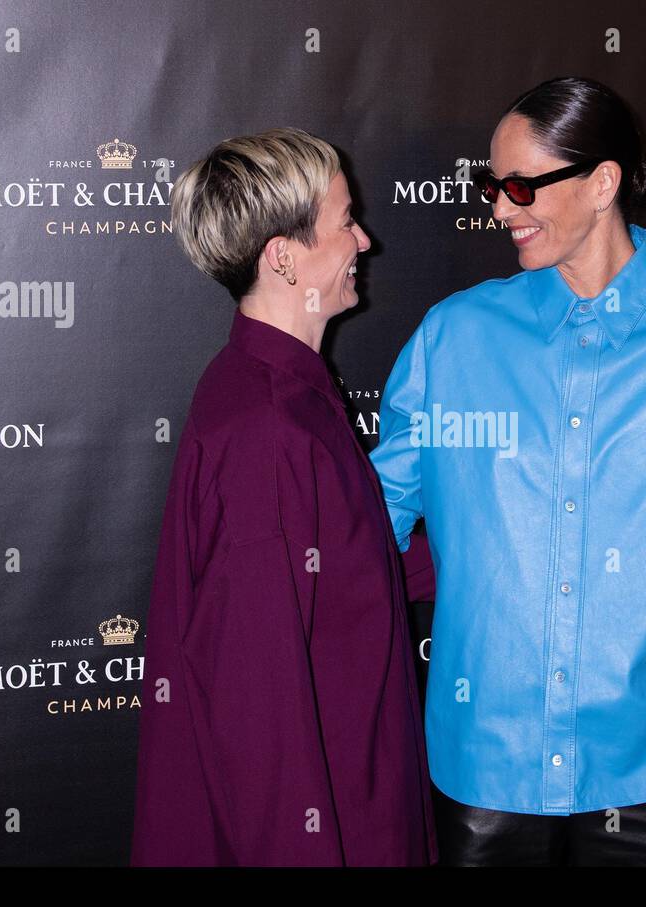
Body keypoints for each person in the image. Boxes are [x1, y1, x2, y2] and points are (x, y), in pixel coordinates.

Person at [370, 77, 646, 866]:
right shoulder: (451, 338)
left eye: (522, 185)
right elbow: (367, 529)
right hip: (480, 772)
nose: (499, 209)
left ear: (603, 183)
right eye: (491, 186)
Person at [131, 128, 437, 866]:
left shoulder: (283, 392)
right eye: (343, 222)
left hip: (356, 795)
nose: (364, 240)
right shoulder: (265, 426)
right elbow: (254, 703)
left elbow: (339, 573)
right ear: (284, 256)